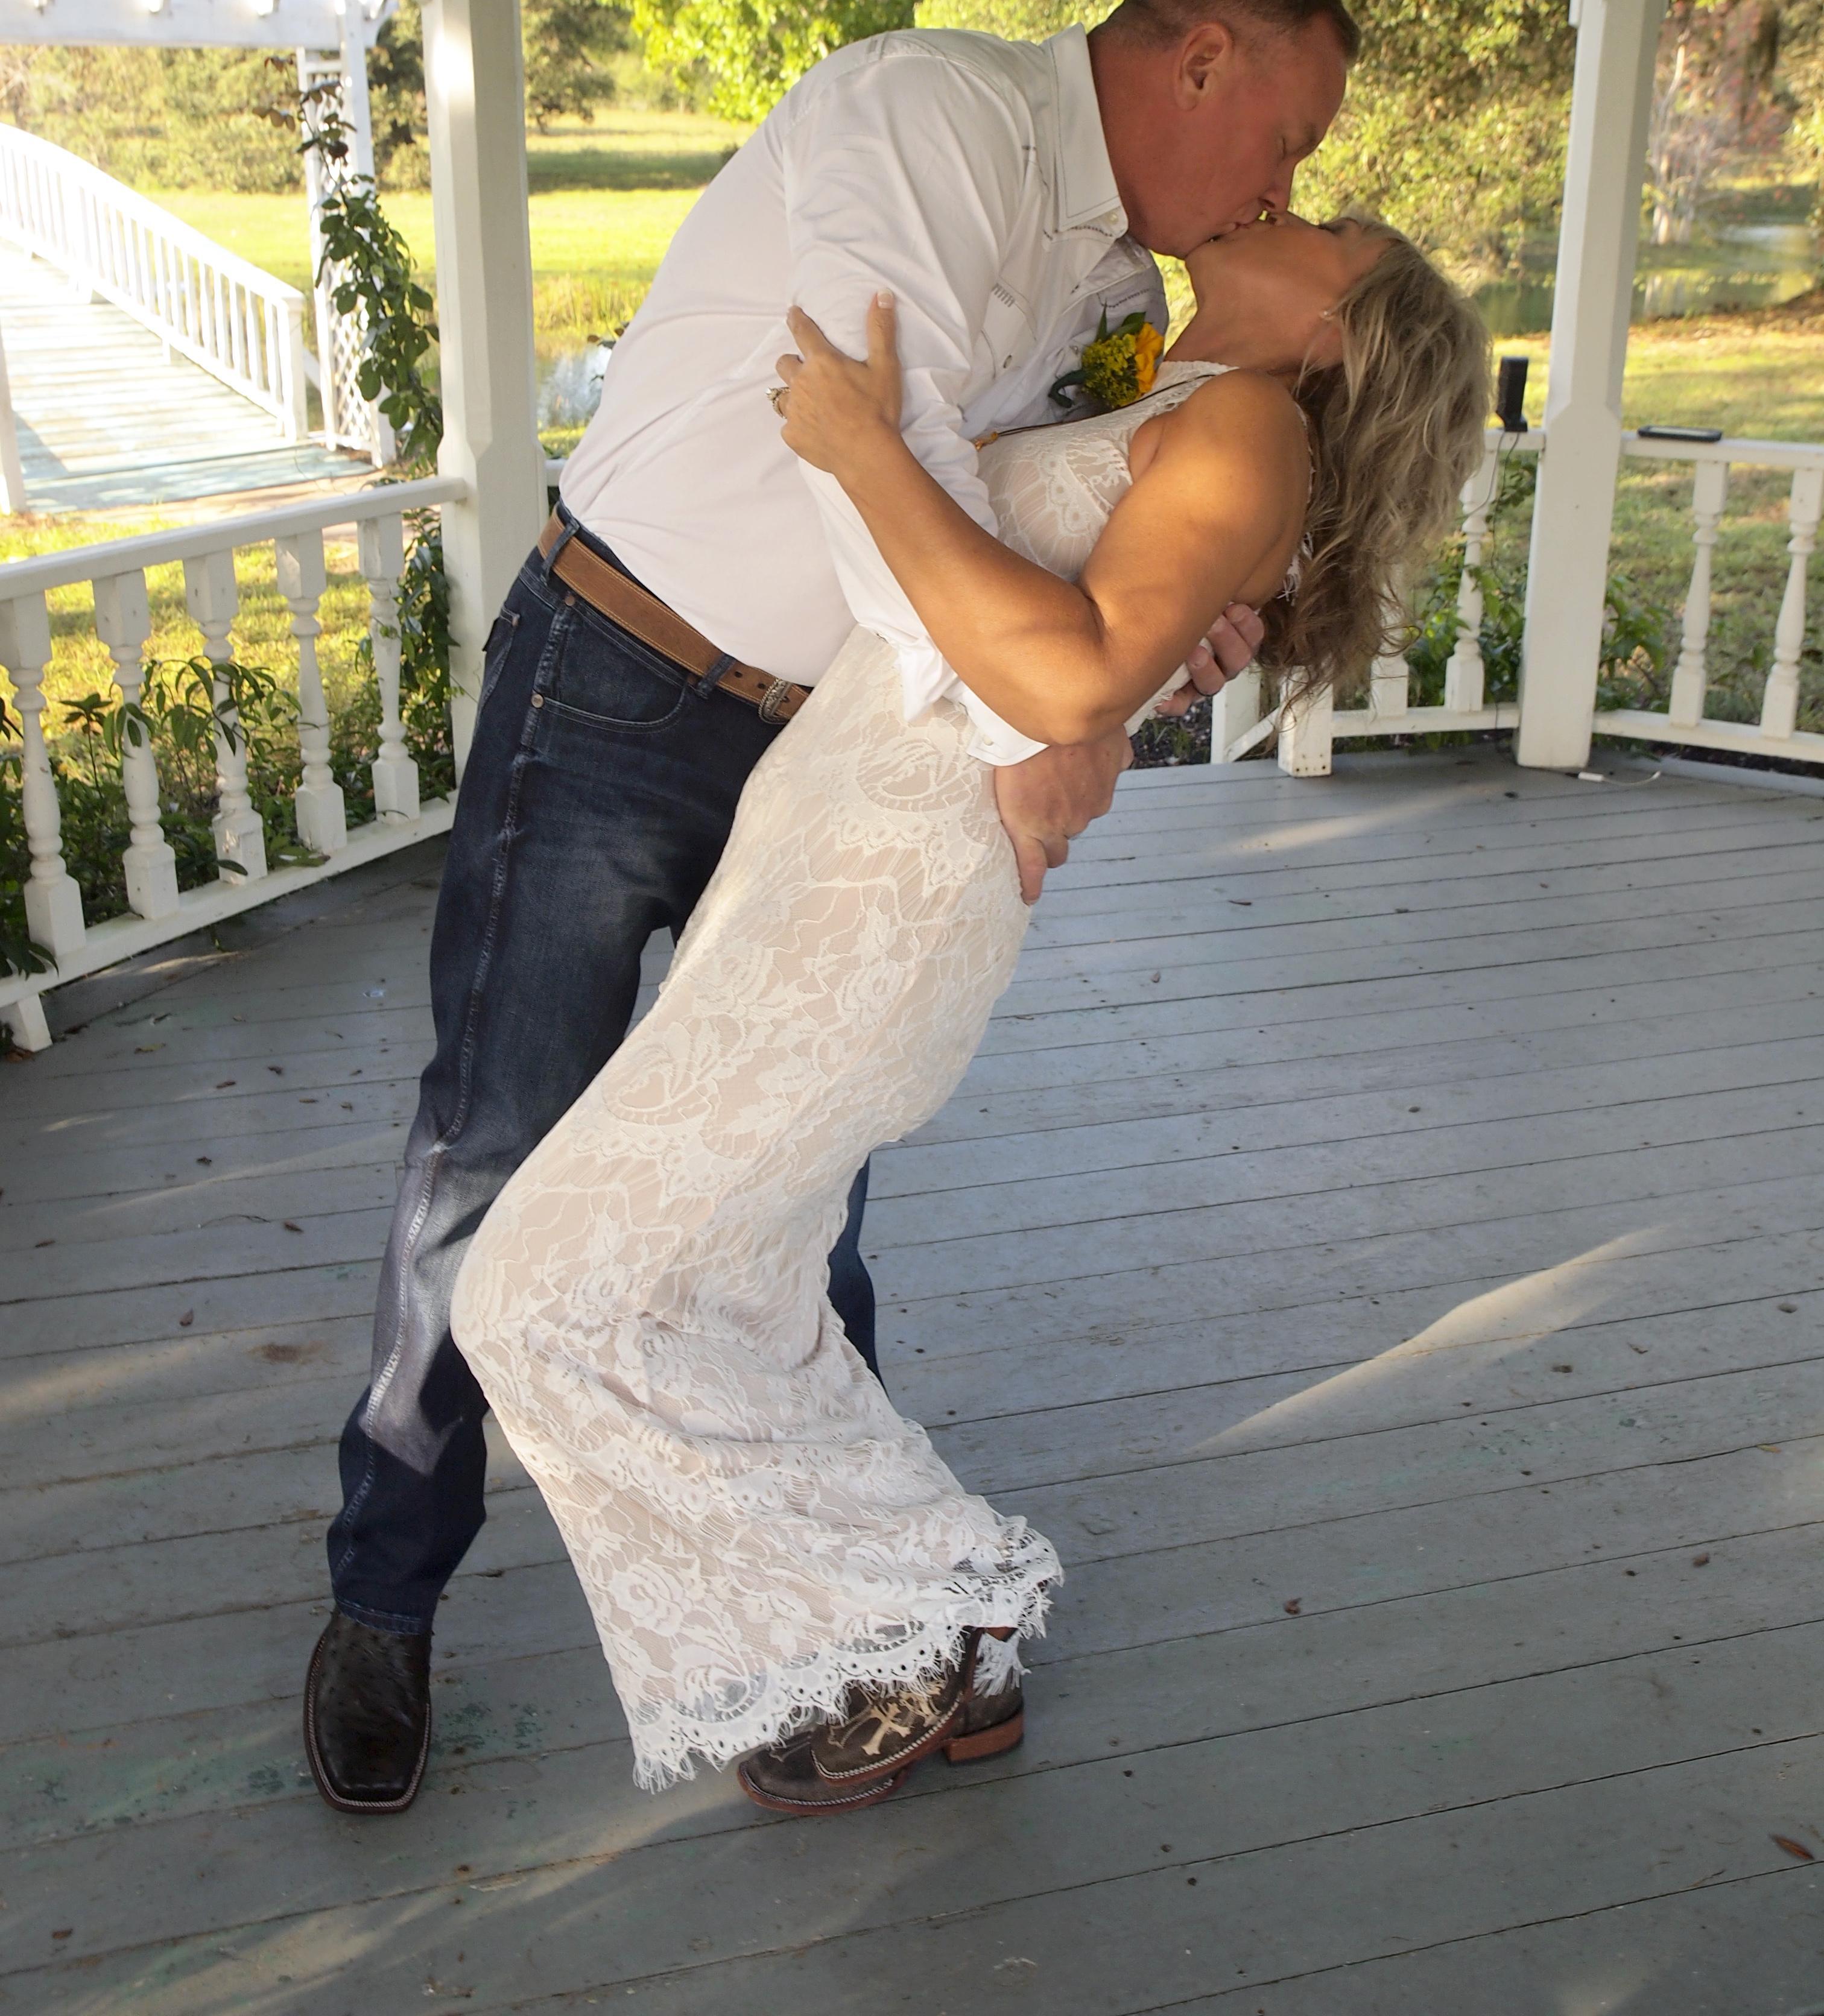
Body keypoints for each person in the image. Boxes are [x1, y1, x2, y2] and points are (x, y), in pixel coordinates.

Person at [305, 0, 1350, 1817]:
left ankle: (864, 1631)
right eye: (1293, 135)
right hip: (623, 676)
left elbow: (1029, 530)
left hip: (842, 754)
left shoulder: (1131, 287)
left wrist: (1143, 648)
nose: (1287, 186)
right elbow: (879, 452)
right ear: (1205, 57)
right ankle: (387, 1602)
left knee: (791, 1208)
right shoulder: (931, 113)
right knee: (496, 1151)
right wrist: (1033, 720)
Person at [450, 209, 1490, 1812]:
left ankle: (919, 1618)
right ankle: (947, 1634)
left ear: (1339, 332)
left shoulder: (1250, 423)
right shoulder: (1175, 398)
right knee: (744, 1288)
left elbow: (1067, 673)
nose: (1297, 200)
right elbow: (1068, 642)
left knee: (529, 1293)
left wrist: (869, 450)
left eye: (1334, 227)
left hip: (886, 897)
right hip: (820, 851)